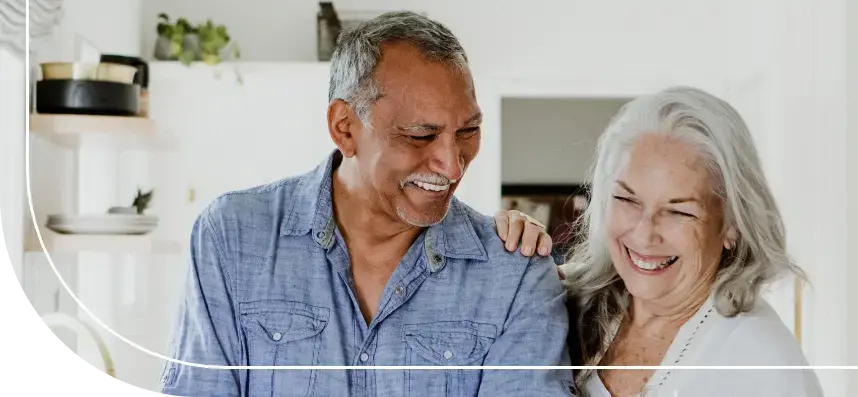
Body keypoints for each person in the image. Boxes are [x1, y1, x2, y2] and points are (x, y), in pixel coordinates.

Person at [159, 11, 575, 397]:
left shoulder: (517, 272)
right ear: (344, 128)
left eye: (468, 130)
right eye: (420, 135)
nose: (452, 164)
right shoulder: (233, 237)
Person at [494, 86, 824, 397]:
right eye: (627, 200)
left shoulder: (765, 367)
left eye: (678, 212)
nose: (644, 233)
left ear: (732, 226)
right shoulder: (566, 303)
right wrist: (506, 255)